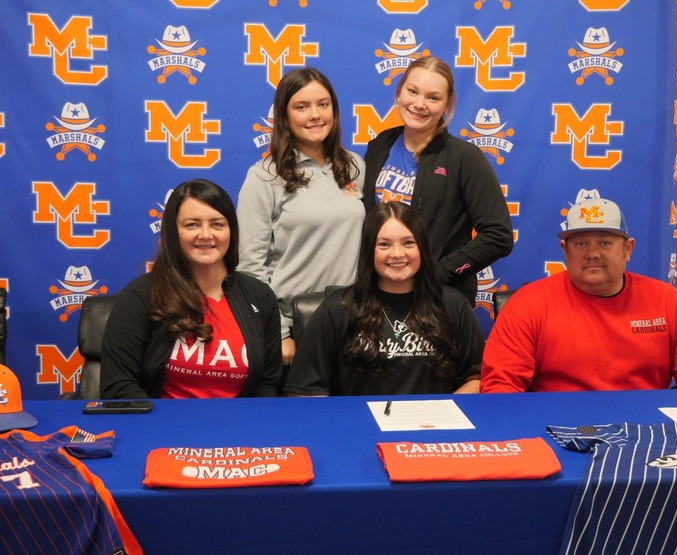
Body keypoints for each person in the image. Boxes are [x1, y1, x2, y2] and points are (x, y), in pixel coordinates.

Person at [481, 197, 677, 393]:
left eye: (605, 243)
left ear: (628, 249)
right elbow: (501, 390)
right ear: (565, 251)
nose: (593, 253)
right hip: (555, 430)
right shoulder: (527, 304)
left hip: (646, 433)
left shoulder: (671, 303)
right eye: (581, 244)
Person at [101, 178, 283, 399]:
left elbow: (267, 384)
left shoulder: (260, 296)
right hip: (163, 428)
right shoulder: (141, 295)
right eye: (192, 224)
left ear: (231, 232)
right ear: (172, 232)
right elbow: (118, 386)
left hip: (239, 430)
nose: (206, 235)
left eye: (217, 224)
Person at [284, 202, 485, 396]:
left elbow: (477, 378)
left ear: (421, 248)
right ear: (369, 251)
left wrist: (442, 414)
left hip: (433, 428)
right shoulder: (337, 308)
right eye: (384, 245)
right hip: (359, 427)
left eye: (408, 243)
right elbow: (304, 390)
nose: (397, 254)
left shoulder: (452, 304)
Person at [237, 67, 365, 366]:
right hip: (294, 325)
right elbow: (250, 268)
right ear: (284, 115)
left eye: (323, 104)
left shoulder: (355, 167)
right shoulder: (264, 177)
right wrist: (280, 334)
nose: (315, 115)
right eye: (302, 107)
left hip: (352, 319)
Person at [363, 56, 513, 305]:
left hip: (438, 301)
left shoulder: (464, 157)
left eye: (433, 98)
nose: (420, 104)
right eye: (413, 91)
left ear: (447, 104)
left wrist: (437, 275)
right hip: (379, 296)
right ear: (400, 93)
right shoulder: (380, 145)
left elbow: (499, 236)